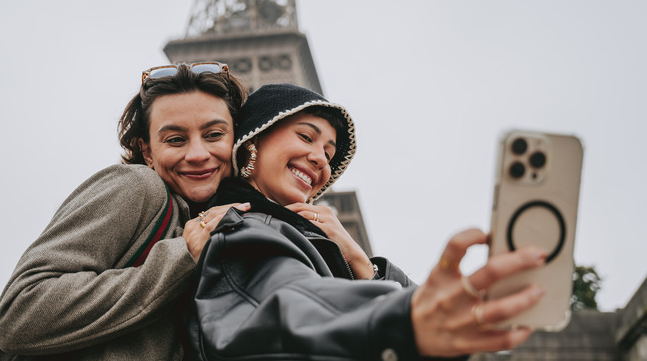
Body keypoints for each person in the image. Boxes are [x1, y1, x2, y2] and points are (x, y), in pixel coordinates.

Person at [184, 83, 548, 360]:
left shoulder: (292, 233)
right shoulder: (238, 228)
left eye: (328, 153)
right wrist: (403, 319)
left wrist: (363, 263)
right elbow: (286, 302)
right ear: (253, 140)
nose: (319, 159)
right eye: (306, 136)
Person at [0, 62, 248, 360]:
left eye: (213, 135)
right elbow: (18, 314)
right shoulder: (139, 186)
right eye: (175, 140)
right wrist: (184, 255)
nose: (197, 154)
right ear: (147, 152)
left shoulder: (214, 220)